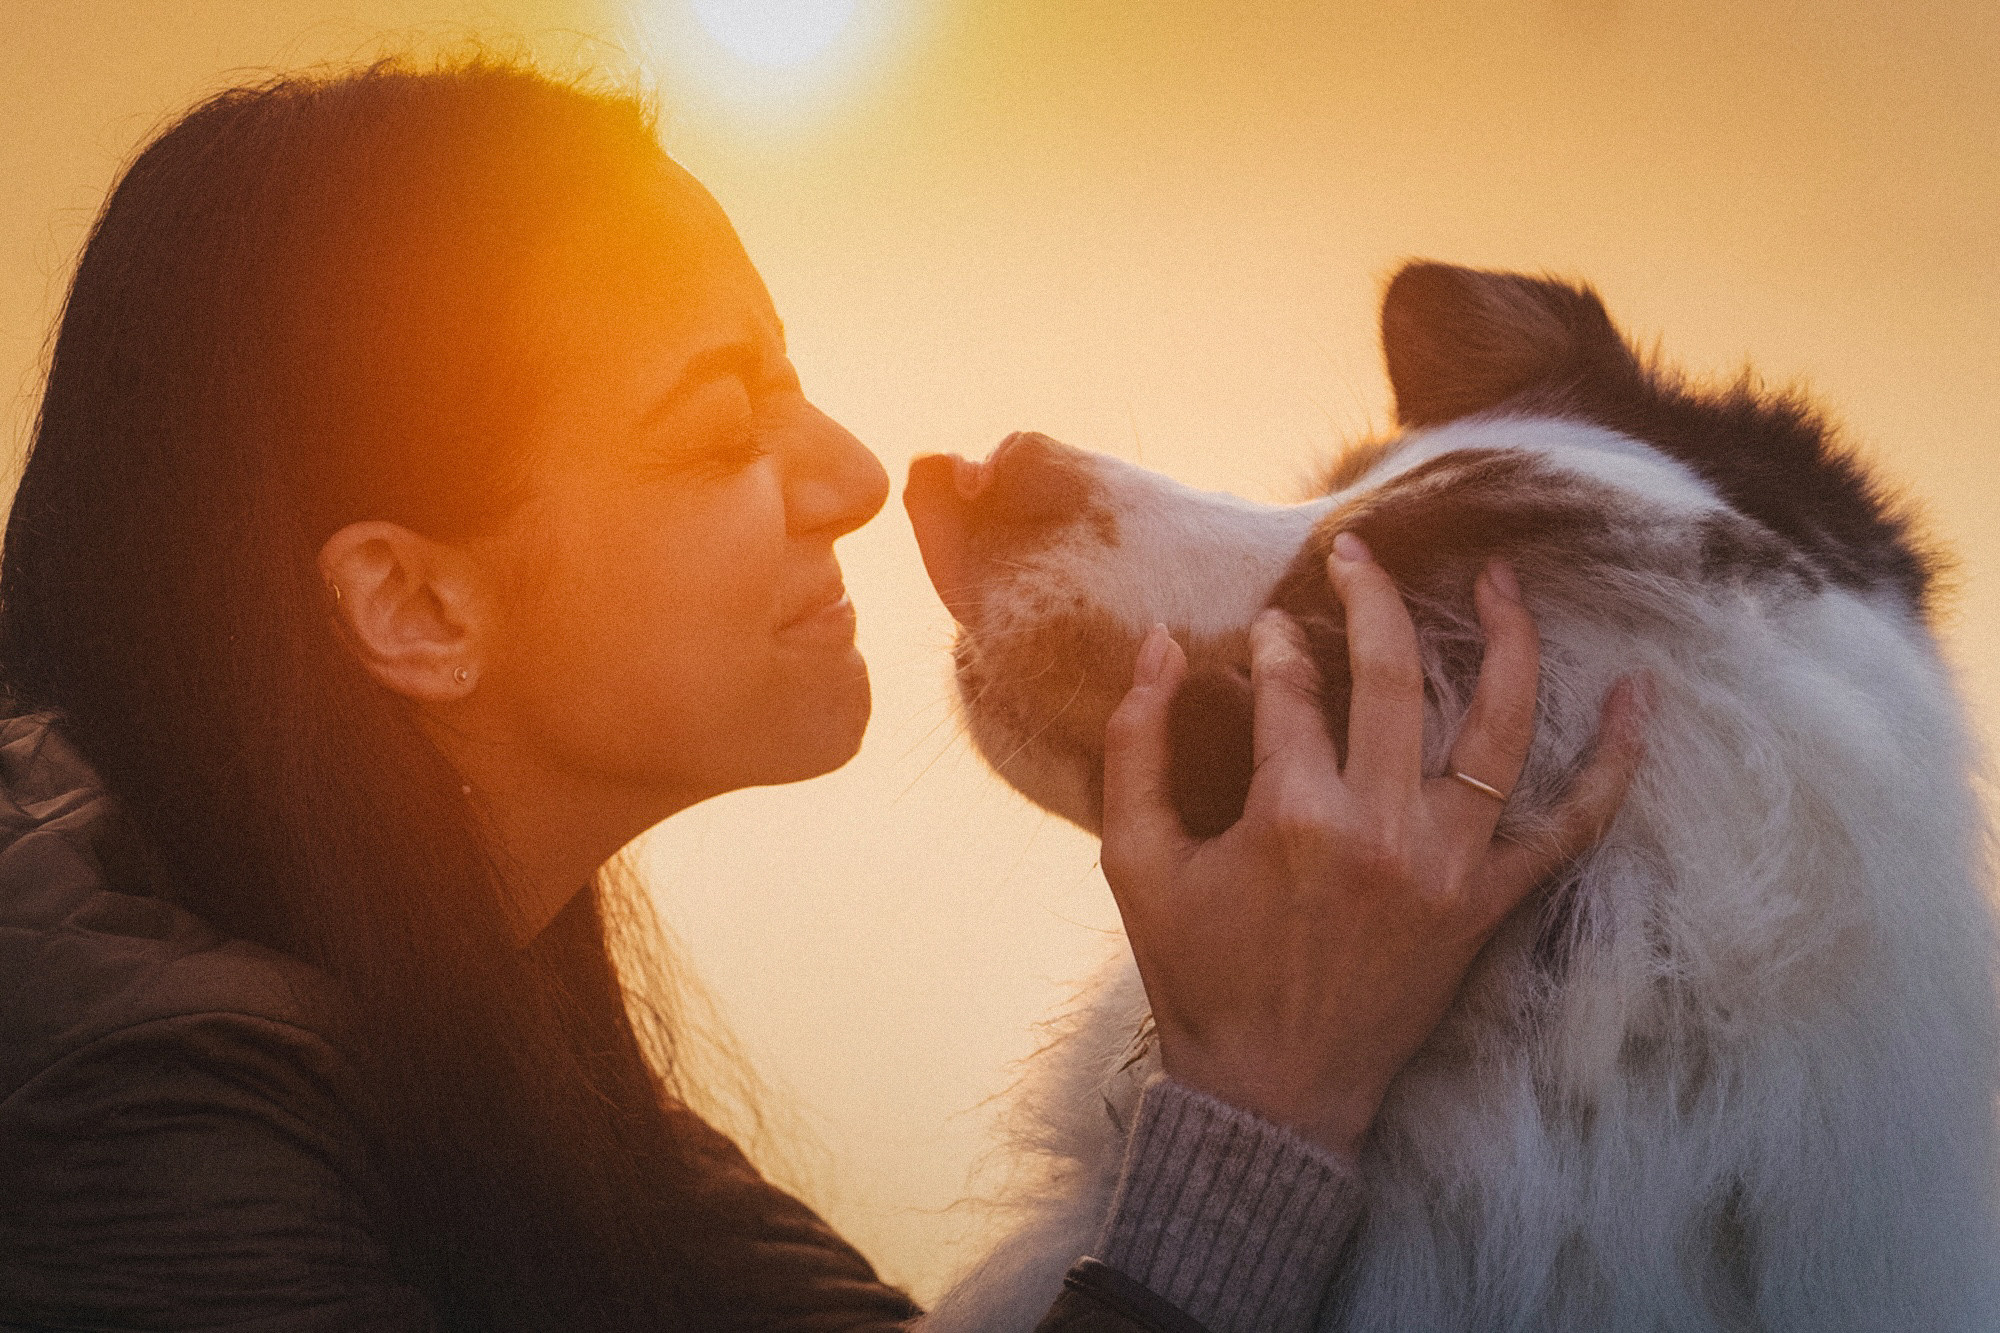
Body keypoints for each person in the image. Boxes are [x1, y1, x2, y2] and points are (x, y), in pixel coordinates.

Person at [0, 60, 1646, 1332]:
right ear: (415, 606)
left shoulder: (453, 981)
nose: (857, 478)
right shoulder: (130, 1098)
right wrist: (1261, 1102)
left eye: (790, 383)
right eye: (720, 430)